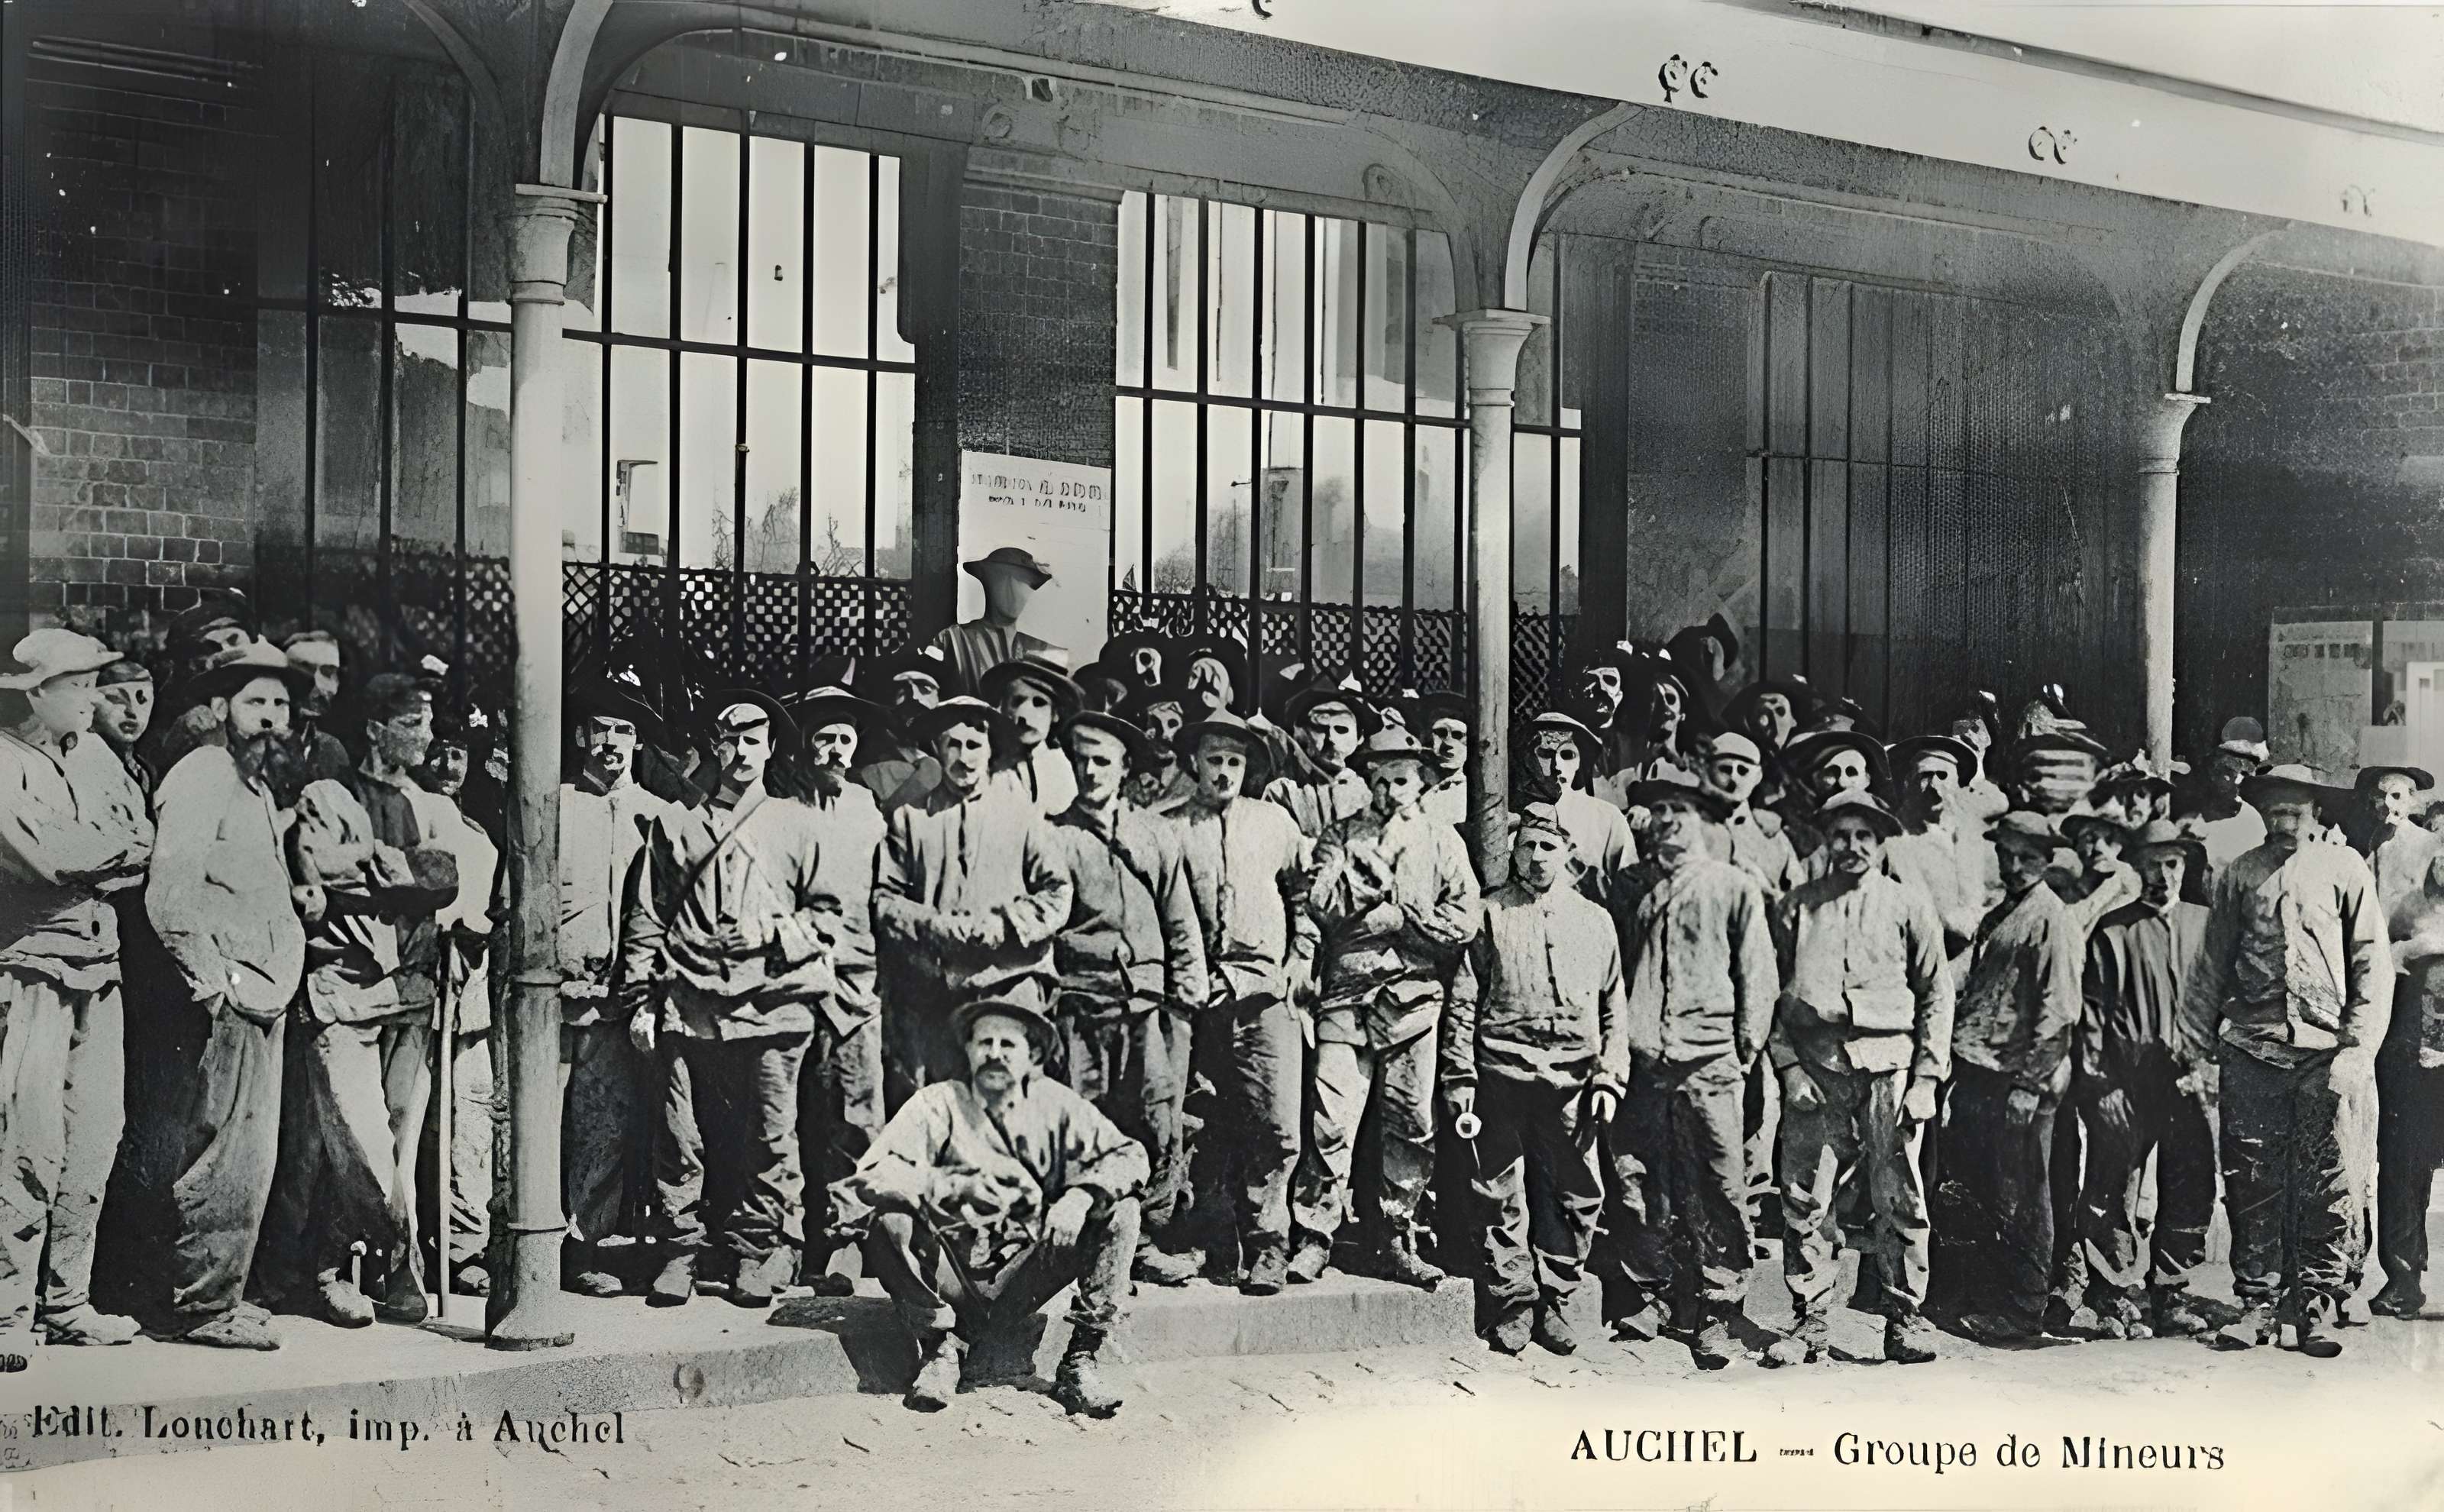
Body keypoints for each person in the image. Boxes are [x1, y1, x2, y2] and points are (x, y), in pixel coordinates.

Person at [119, 639, 309, 1349]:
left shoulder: (255, 786)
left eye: (280, 705)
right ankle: (199, 1305)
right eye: (256, 702)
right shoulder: (203, 774)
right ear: (223, 707)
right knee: (218, 1153)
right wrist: (213, 983)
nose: (270, 717)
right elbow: (169, 892)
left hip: (263, 991)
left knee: (248, 1155)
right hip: (227, 993)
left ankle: (219, 1292)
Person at [256, 671, 460, 1329]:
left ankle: (362, 1271)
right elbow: (319, 868)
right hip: (342, 990)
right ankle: (368, 1265)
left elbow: (448, 878)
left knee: (398, 1144)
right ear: (375, 728)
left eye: (429, 721)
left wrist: (383, 871)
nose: (427, 734)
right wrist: (397, 868)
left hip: (411, 991)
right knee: (361, 1147)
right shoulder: (328, 795)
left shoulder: (433, 805)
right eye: (412, 722)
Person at [836, 997, 1148, 1417]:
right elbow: (875, 1174)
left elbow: (1130, 1156)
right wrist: (949, 1186)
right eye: (984, 1043)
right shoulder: (936, 1104)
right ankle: (938, 1351)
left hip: (1023, 1275)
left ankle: (1080, 1362)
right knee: (891, 1219)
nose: (995, 1054)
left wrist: (1081, 1195)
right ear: (968, 1050)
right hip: (951, 1276)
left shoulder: (1057, 1106)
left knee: (1121, 1211)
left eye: (1008, 1044)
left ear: (1032, 1055)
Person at [2178, 764, 2389, 1357]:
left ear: (2316, 813)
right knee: (2252, 1183)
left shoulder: (2345, 870)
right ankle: (2257, 1305)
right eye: (2273, 811)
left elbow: (2371, 964)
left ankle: (2315, 1306)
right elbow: (2211, 965)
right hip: (2253, 1050)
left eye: (2294, 811)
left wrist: (2356, 1050)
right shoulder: (2240, 873)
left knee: (2325, 1184)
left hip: (2325, 1055)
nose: (2283, 821)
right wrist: (2196, 1050)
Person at [1762, 791, 1953, 1368]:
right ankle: (1810, 1320)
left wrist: (1926, 1078)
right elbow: (1769, 994)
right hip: (1817, 1072)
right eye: (1841, 835)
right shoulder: (1798, 908)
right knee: (1806, 1196)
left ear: (1880, 842)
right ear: (1826, 840)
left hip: (1889, 1069)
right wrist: (1788, 1067)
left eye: (1863, 836)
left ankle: (1905, 1319)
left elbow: (1936, 994)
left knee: (1900, 1195)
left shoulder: (1907, 906)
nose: (1852, 847)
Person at [0, 632, 154, 1346]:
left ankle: (67, 1303)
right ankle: (8, 1314)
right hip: (31, 968)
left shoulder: (95, 756)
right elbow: (43, 857)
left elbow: (143, 844)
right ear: (35, 693)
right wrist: (94, 850)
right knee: (28, 1143)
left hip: (101, 965)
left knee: (95, 1136)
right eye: (78, 686)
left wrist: (90, 848)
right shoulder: (5, 760)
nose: (94, 699)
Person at [1289, 727, 1480, 1288]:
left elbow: (1464, 920)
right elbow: (1319, 904)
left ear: (1421, 782)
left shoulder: (1443, 841)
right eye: (1380, 779)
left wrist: (1405, 919)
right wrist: (1362, 878)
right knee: (1331, 1119)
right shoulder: (1340, 836)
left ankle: (1397, 1234)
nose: (1391, 790)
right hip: (1347, 997)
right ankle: (1315, 1235)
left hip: (1414, 1001)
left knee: (1412, 1123)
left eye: (1402, 779)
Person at [1446, 793, 1628, 1356]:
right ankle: (1514, 1302)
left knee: (1575, 1194)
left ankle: (1557, 1298)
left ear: (1567, 852)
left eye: (1549, 846)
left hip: (1574, 1081)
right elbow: (1463, 1001)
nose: (1537, 856)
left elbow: (1614, 1008)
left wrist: (1609, 1078)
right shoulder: (1489, 914)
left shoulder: (1595, 921)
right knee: (1499, 1192)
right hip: (1501, 1074)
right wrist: (1460, 1078)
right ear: (1513, 852)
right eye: (1527, 846)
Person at [1603, 779, 1777, 1368]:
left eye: (1681, 810)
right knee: (1640, 1180)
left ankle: (1718, 1309)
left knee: (1719, 1186)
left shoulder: (1732, 887)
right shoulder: (1635, 888)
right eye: (1659, 810)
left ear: (1703, 819)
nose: (1669, 820)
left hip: (1711, 1059)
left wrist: (1744, 1051)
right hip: (1647, 1060)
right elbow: (1616, 970)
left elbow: (1758, 973)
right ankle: (1652, 1294)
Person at [1045, 709, 1211, 1286]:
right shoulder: (1054, 836)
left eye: (1102, 761)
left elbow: (1180, 918)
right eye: (1081, 761)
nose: (1091, 771)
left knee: (1157, 1121)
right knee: (1086, 1124)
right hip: (1080, 1004)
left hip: (1149, 1006)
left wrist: (1185, 998)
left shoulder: (1154, 834)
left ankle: (1145, 1243)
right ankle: (1087, 1252)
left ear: (1123, 769)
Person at [1169, 711, 1316, 1294]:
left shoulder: (1273, 822)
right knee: (1204, 1121)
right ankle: (1213, 1238)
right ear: (1194, 763)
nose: (1225, 772)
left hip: (1264, 993)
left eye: (1235, 761)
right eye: (1215, 760)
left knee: (1276, 1124)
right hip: (1198, 995)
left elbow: (1305, 889)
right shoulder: (1172, 827)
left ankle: (1268, 1243)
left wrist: (1300, 954)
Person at [872, 696, 1075, 1103]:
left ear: (990, 749)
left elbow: (1058, 891)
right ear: (937, 748)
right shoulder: (910, 818)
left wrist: (1006, 925)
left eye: (974, 746)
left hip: (1007, 985)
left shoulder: (1021, 814)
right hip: (936, 994)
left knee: (1009, 1104)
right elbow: (884, 899)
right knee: (946, 1107)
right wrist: (932, 926)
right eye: (954, 745)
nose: (964, 758)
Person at [1932, 810, 2084, 1343]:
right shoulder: (2001, 914)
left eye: (2027, 857)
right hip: (1978, 1070)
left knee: (2024, 1194)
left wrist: (2029, 1084)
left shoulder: (2052, 919)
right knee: (1985, 1189)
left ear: (2046, 860)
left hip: (2019, 1078)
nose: (2015, 865)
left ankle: (2024, 1309)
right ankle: (1988, 1298)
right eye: (2007, 855)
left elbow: (2059, 1013)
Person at [551, 677, 676, 1297]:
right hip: (549, 999)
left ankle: (586, 1248)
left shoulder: (658, 815)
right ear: (581, 736)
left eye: (625, 730)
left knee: (602, 1126)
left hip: (616, 1002)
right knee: (531, 1124)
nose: (611, 741)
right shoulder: (551, 806)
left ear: (639, 742)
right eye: (600, 728)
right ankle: (518, 1247)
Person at [2074, 819, 2216, 1339]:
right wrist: (2100, 1088)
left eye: (2172, 864)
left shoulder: (2208, 925)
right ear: (2135, 868)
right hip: (2126, 1085)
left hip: (2189, 1083)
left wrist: (2209, 1066)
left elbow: (2226, 1000)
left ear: (2185, 865)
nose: (2162, 875)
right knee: (2113, 1185)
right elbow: (2091, 1017)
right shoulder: (2113, 931)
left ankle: (2171, 1293)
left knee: (2189, 1182)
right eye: (2151, 865)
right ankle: (2110, 1294)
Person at [781, 684, 893, 1297]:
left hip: (854, 983)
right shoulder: (781, 809)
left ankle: (848, 1239)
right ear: (805, 745)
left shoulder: (869, 812)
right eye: (824, 738)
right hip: (787, 984)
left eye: (845, 740)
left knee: (855, 1115)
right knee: (786, 1118)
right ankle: (785, 1242)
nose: (835, 751)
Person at [406, 706, 499, 1300]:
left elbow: (486, 911)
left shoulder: (479, 836)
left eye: (458, 754)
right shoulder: (408, 816)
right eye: (437, 750)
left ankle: (464, 1247)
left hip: (468, 1001)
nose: (446, 764)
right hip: (415, 998)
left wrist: (474, 935)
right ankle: (404, 1250)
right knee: (409, 1125)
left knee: (468, 1126)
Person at [2358, 764, 2444, 1317]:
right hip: (2406, 1026)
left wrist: (2417, 947)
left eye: (2399, 796)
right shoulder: (2374, 856)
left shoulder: (2429, 849)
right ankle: (2403, 1279)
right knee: (2403, 1157)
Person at [1524, 710, 1639, 906]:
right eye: (1546, 754)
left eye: (1567, 755)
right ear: (1530, 759)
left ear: (1580, 761)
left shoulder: (1608, 818)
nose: (1557, 765)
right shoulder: (1515, 815)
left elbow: (1628, 893)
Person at [927, 547, 1065, 696]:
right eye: (1003, 578)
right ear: (987, 581)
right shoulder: (952, 640)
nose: (1013, 590)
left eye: (1024, 581)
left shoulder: (1044, 652)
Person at [1264, 676, 1374, 839]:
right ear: (1299, 733)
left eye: (1341, 729)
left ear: (1360, 737)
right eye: (1319, 729)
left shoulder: (1369, 790)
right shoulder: (1283, 792)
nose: (1331, 738)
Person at [1701, 732, 1804, 898]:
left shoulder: (1774, 837)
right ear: (1706, 770)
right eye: (1725, 769)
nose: (1734, 779)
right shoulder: (1691, 825)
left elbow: (1799, 894)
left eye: (1743, 771)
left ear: (1757, 777)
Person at [978, 654, 1083, 816]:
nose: (1024, 715)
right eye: (1017, 702)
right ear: (1003, 708)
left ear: (1055, 714)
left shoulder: (1060, 768)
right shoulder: (986, 759)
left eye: (1039, 703)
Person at [851, 645, 949, 809]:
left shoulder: (948, 738)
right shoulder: (875, 737)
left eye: (924, 689)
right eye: (903, 692)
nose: (914, 697)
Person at [2177, 716, 2271, 881]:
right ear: (2212, 772)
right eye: (2228, 773)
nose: (2237, 782)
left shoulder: (2252, 824)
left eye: (2244, 775)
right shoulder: (2189, 816)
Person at [279, 629, 357, 787]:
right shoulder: (261, 747)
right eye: (304, 670)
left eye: (328, 673)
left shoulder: (332, 750)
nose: (318, 684)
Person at [1119, 683, 1196, 814]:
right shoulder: (1127, 764)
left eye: (1176, 726)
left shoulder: (1185, 778)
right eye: (1155, 724)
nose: (1170, 735)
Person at [91, 656, 157, 802]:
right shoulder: (85, 767)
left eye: (142, 699)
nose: (132, 711)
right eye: (116, 699)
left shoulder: (145, 771)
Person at [1413, 690, 1471, 829]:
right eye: (1441, 733)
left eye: (1458, 735)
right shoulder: (1412, 783)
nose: (1448, 744)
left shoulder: (1472, 792)